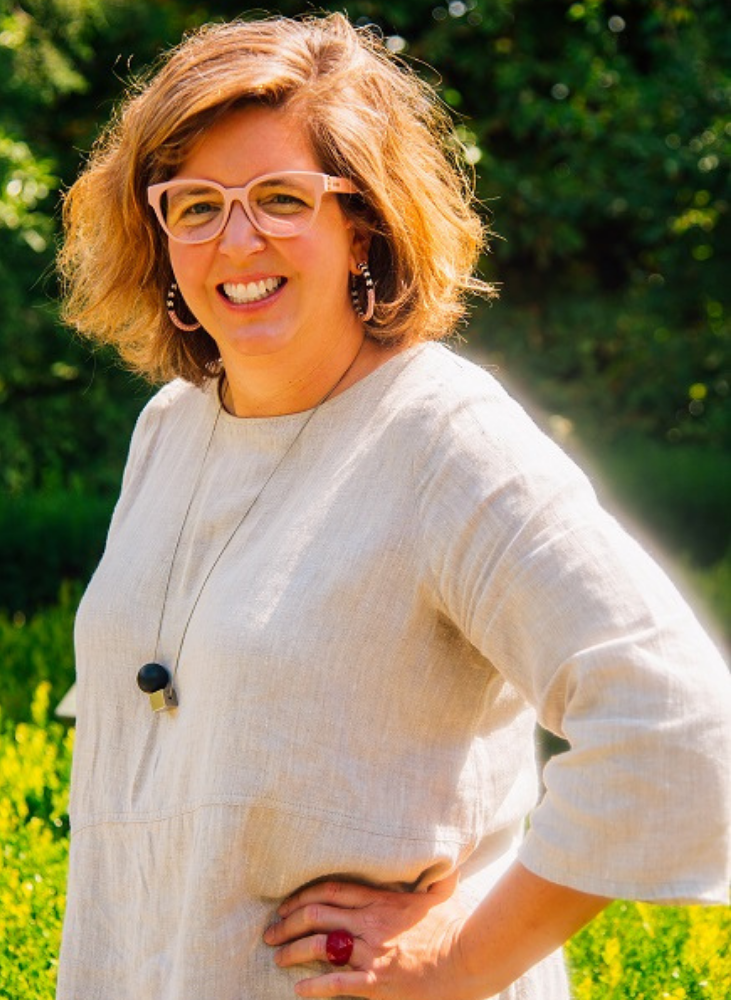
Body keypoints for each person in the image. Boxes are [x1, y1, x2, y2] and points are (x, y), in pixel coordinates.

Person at [55, 13, 730, 1000]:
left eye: (280, 197)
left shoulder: (443, 437)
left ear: (360, 220)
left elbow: (678, 722)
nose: (235, 239)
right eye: (194, 204)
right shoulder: (170, 430)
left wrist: (463, 957)